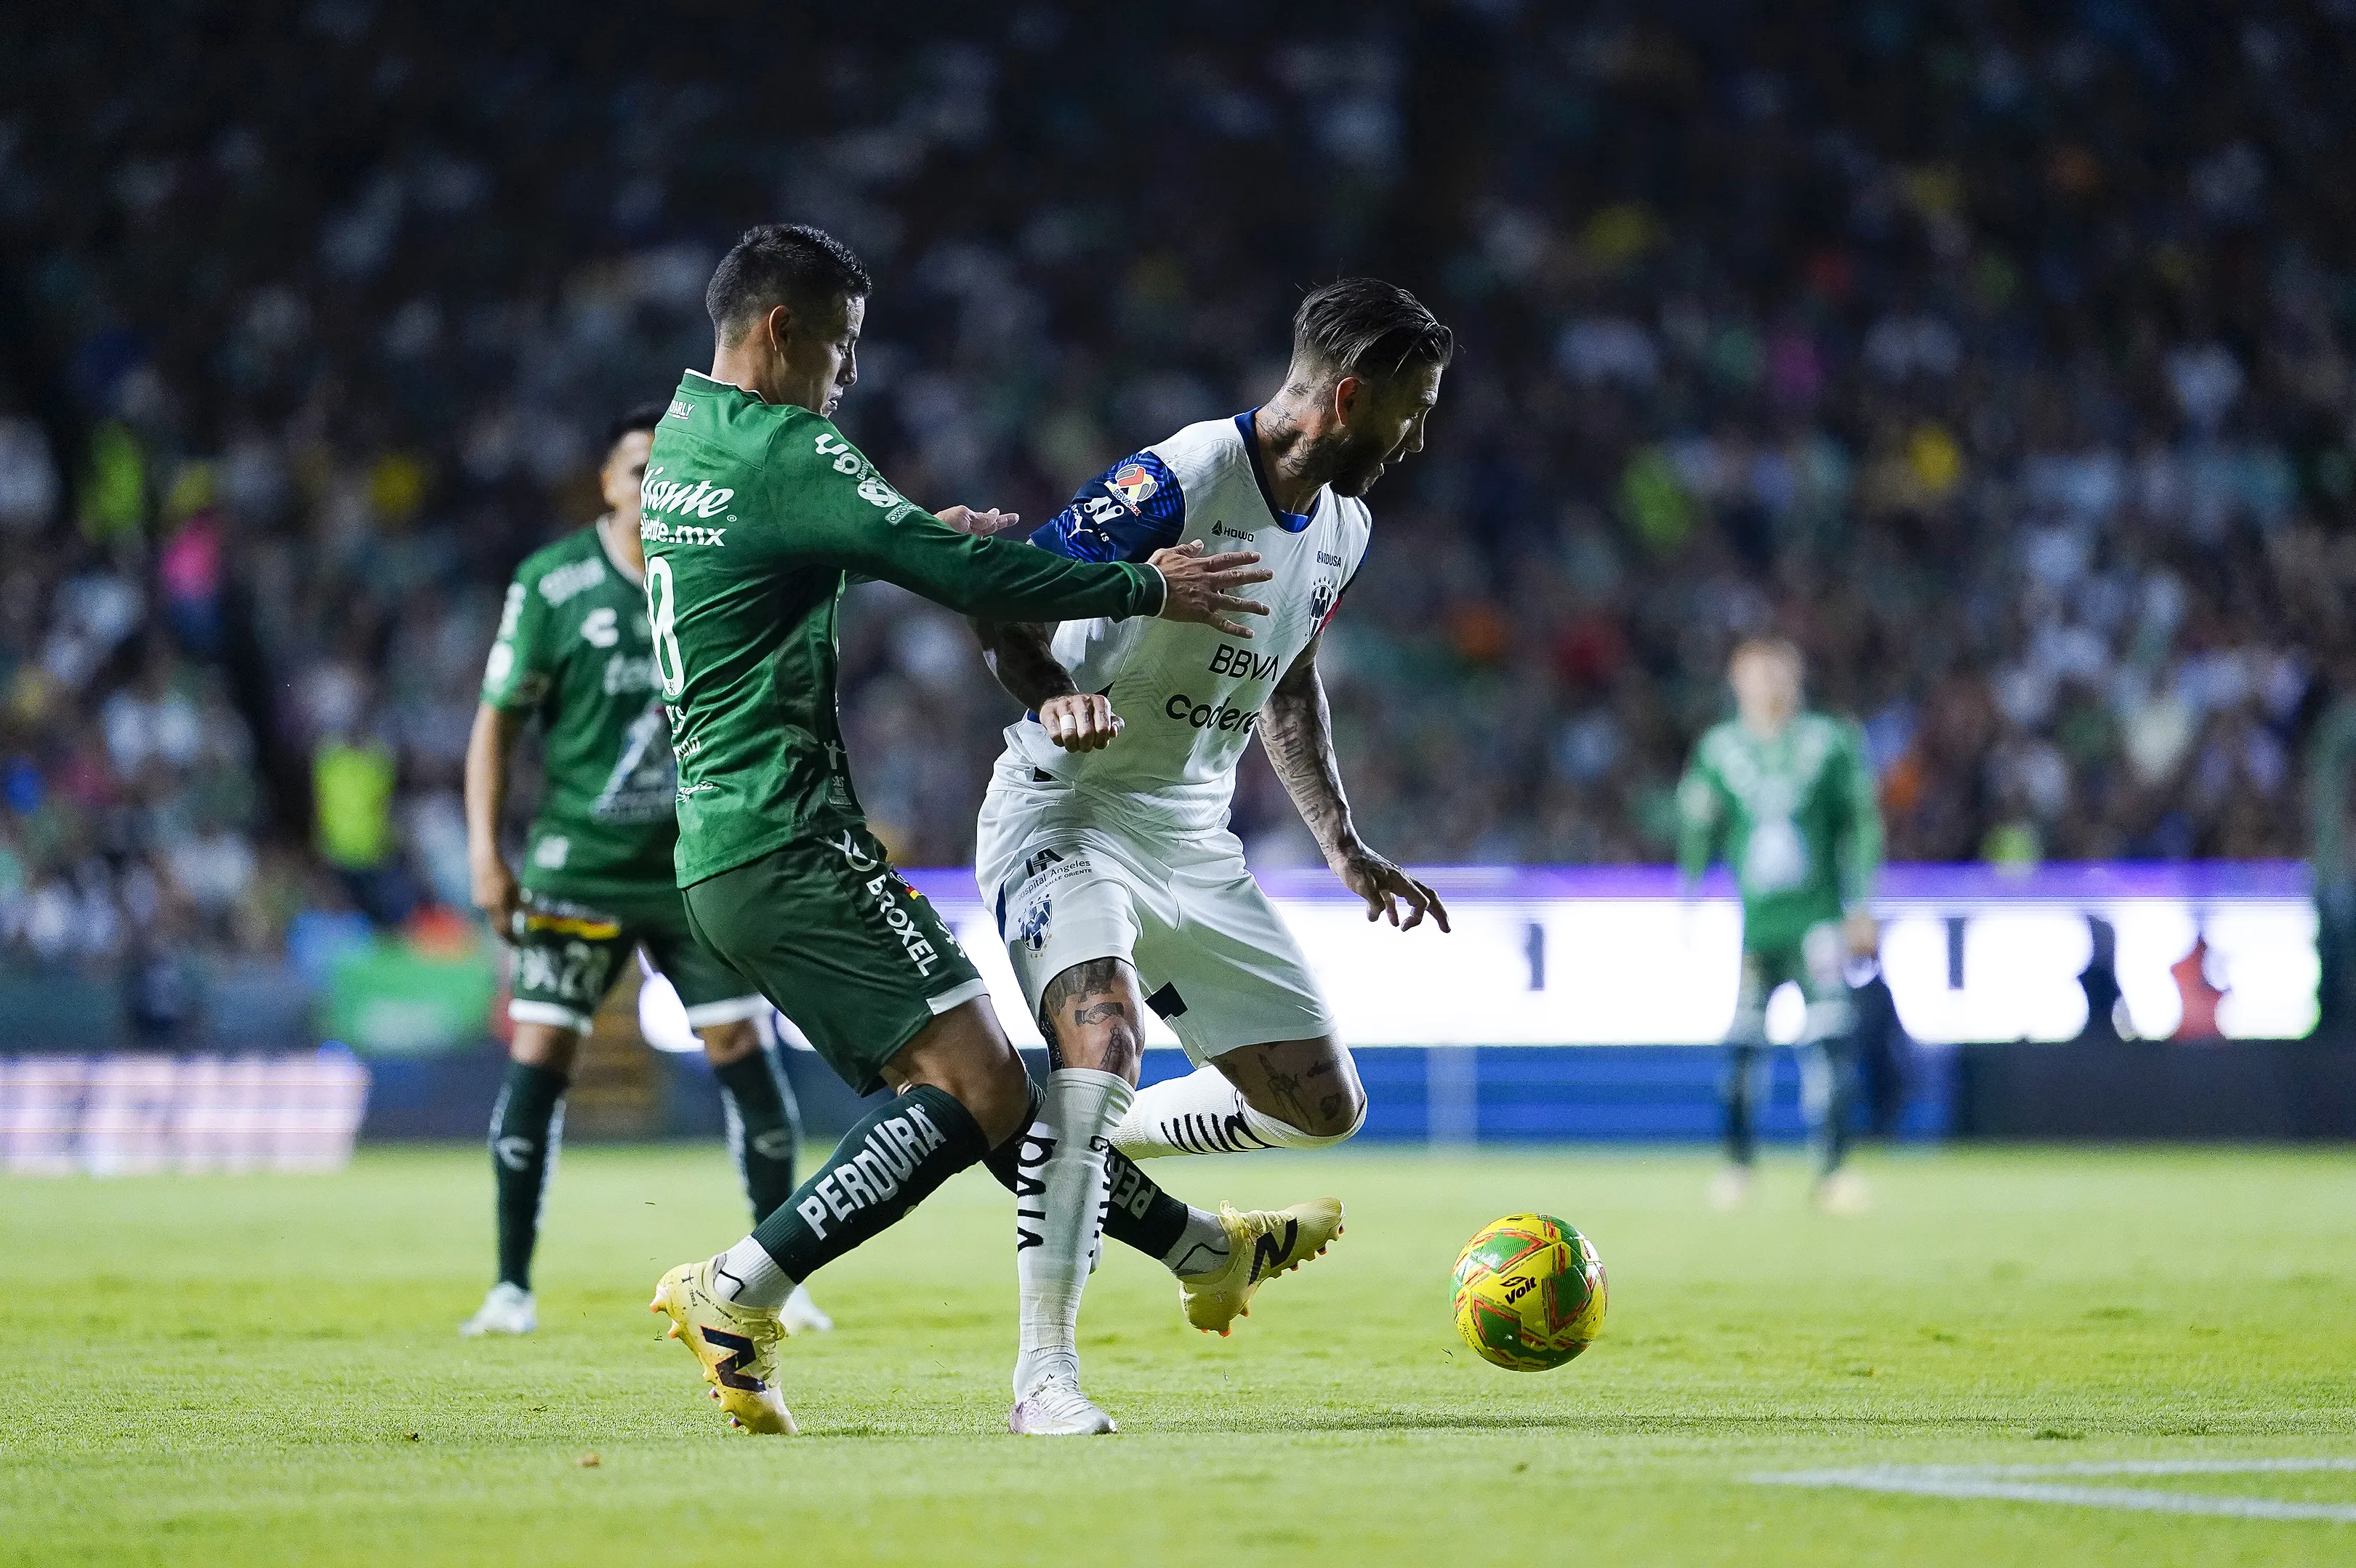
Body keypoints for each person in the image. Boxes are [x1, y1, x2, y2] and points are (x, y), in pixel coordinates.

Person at [640, 223, 1273, 1438]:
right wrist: (1150, 585)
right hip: (788, 834)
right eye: (841, 345)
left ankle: (1200, 1250)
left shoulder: (686, 438)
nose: (848, 374)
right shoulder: (788, 447)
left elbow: (783, 554)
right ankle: (736, 1285)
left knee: (972, 1090)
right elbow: (964, 580)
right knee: (980, 1083)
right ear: (781, 332)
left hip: (727, 845)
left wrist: (905, 533)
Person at [968, 278, 1453, 1362]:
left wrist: (1341, 839)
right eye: (1411, 408)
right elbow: (1000, 588)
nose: (1419, 437)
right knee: (1099, 1044)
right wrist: (1051, 690)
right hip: (1068, 811)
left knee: (1324, 1111)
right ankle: (1043, 1374)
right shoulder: (1185, 474)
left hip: (1192, 843)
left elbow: (1288, 681)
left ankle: (1098, 1130)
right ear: (1347, 393)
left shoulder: (1347, 527)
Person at [461, 406, 827, 1338]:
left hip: (695, 868)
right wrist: (484, 853)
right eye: (633, 467)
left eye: (662, 469)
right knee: (542, 1055)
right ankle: (510, 1286)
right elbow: (496, 721)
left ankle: (779, 1273)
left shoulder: (713, 570)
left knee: (743, 1051)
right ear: (607, 483)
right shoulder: (554, 583)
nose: (646, 482)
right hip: (575, 868)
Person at [1676, 638, 1882, 1215]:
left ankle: (1834, 1172)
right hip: (1756, 928)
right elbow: (1698, 827)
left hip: (1817, 922)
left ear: (1795, 679)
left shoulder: (1828, 741)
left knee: (1832, 1045)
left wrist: (1861, 903)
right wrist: (1688, 895)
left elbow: (1860, 824)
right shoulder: (1719, 750)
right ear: (1736, 682)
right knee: (1742, 1049)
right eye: (1755, 674)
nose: (1768, 685)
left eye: (1778, 674)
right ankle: (1737, 1166)